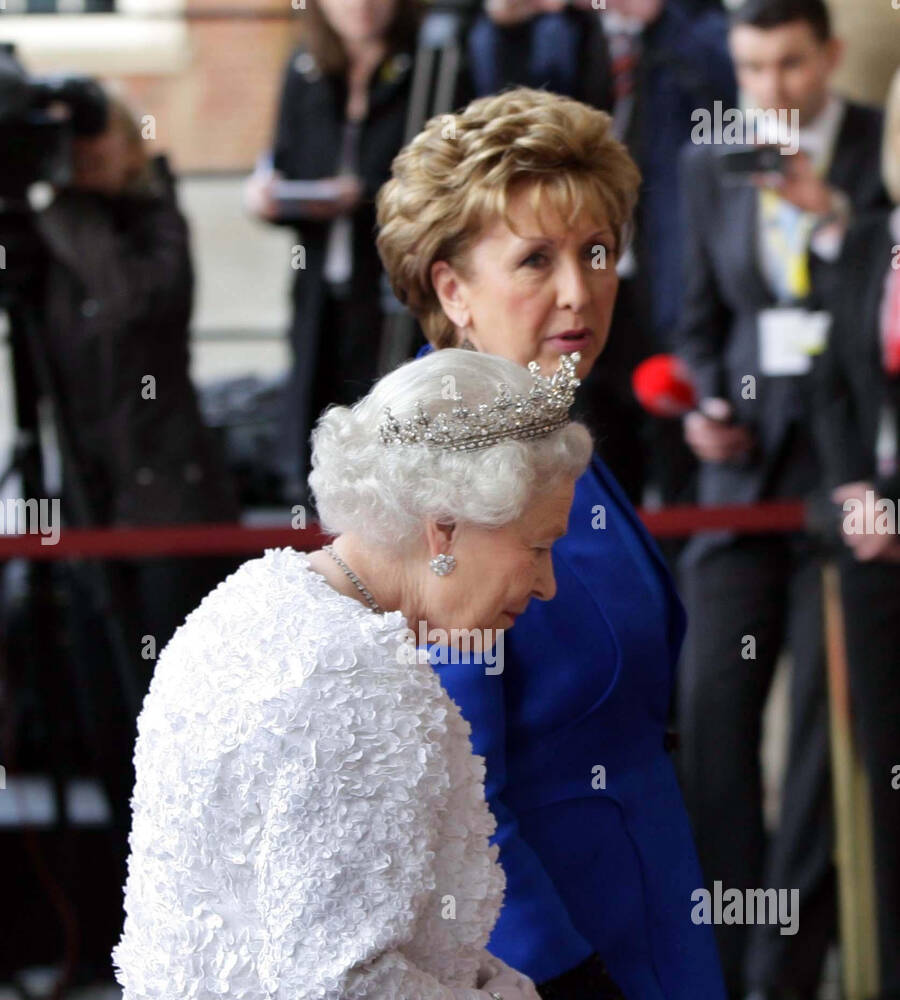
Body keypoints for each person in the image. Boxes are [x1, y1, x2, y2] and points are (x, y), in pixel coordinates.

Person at [63, 347, 591, 1000]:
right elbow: (335, 985)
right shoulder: (361, 679)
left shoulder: (252, 601)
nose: (546, 584)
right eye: (540, 545)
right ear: (444, 528)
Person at [376, 85, 760, 1000]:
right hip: (558, 994)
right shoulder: (451, 476)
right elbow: (455, 790)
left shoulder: (547, 439)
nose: (579, 291)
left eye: (595, 251)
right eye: (533, 257)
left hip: (652, 948)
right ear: (451, 286)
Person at [675, 0, 889, 1000]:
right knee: (713, 702)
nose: (773, 89)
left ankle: (787, 978)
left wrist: (838, 215)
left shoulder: (877, 154)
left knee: (820, 725)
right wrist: (709, 405)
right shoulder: (709, 160)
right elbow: (697, 318)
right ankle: (721, 962)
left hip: (843, 472)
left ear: (830, 56)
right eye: (753, 66)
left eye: (791, 63)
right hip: (743, 474)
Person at [36, 90, 240, 893]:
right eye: (65, 145)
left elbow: (131, 303)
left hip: (169, 503)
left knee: (169, 706)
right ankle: (134, 902)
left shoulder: (158, 221)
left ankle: (202, 890)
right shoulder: (46, 232)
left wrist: (58, 205)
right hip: (90, 499)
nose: (81, 156)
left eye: (94, 139)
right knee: (104, 711)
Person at [467, 0, 737, 506]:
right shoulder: (562, 25)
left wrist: (657, 19)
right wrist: (505, 26)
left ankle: (671, 579)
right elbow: (499, 115)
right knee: (586, 449)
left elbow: (732, 94)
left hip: (673, 277)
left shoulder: (697, 18)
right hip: (574, 277)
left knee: (679, 458)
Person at [244, 0, 424, 511]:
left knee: (388, 416)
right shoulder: (305, 69)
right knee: (318, 417)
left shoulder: (428, 68)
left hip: (391, 283)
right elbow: (282, 160)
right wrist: (273, 196)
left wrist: (363, 194)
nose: (361, 7)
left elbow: (438, 181)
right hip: (320, 278)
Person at [811, 67, 900, 1000]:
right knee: (886, 768)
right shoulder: (872, 239)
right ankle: (889, 987)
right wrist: (854, 494)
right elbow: (833, 384)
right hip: (873, 542)